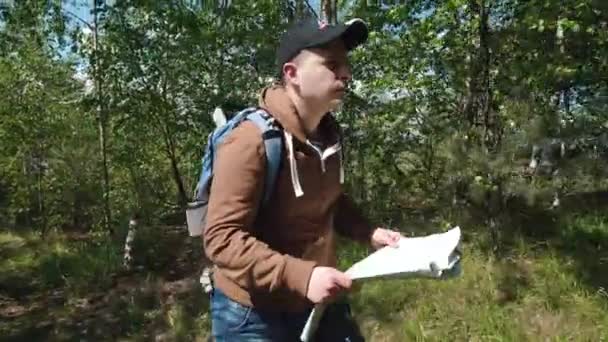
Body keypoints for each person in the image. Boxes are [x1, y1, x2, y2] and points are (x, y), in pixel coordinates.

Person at [203, 17, 403, 341]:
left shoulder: (327, 136)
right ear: (291, 74)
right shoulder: (250, 140)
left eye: (347, 64)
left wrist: (371, 233)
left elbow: (331, 202)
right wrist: (303, 276)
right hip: (253, 314)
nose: (346, 73)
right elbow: (221, 238)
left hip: (318, 303)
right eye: (331, 64)